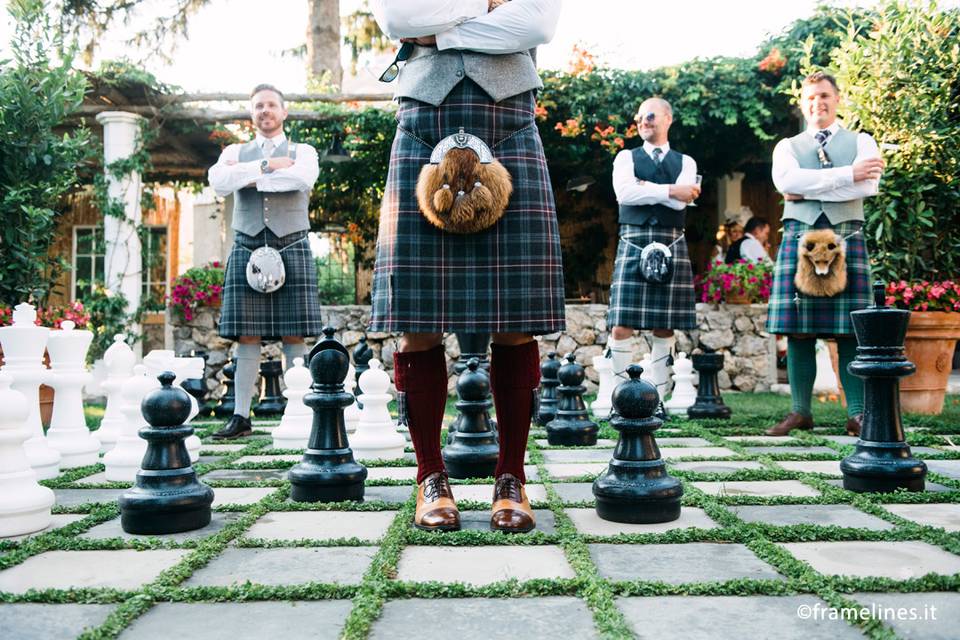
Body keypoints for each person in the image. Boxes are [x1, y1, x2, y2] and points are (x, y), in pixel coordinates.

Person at [370, 0, 564, 533]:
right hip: (420, 127)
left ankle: (512, 477)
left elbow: (538, 23)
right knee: (418, 323)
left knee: (515, 321)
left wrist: (444, 30)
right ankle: (430, 475)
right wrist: (483, 8)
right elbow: (397, 19)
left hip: (509, 125)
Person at [766, 71, 884, 436]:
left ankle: (858, 414)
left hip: (847, 236)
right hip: (800, 237)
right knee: (797, 329)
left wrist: (810, 187)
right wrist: (846, 177)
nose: (817, 102)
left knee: (849, 331)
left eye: (824, 96)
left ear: (837, 99)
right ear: (803, 103)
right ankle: (800, 412)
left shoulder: (862, 141)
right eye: (811, 97)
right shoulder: (787, 146)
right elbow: (787, 183)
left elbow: (871, 185)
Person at [207, 84, 322, 439]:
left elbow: (301, 178)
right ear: (251, 113)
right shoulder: (234, 150)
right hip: (247, 244)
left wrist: (248, 176)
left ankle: (299, 412)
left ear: (284, 112)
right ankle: (241, 415)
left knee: (294, 332)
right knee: (247, 336)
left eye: (271, 105)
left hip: (292, 243)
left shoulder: (303, 151)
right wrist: (267, 166)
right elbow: (219, 182)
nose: (265, 111)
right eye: (258, 106)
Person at [606, 97, 700, 402]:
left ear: (668, 119)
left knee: (665, 325)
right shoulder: (625, 157)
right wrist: (671, 190)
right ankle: (622, 397)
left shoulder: (686, 162)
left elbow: (679, 203)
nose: (642, 121)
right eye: (638, 118)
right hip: (633, 242)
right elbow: (625, 193)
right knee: (621, 326)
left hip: (671, 241)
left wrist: (645, 187)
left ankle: (657, 399)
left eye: (649, 115)